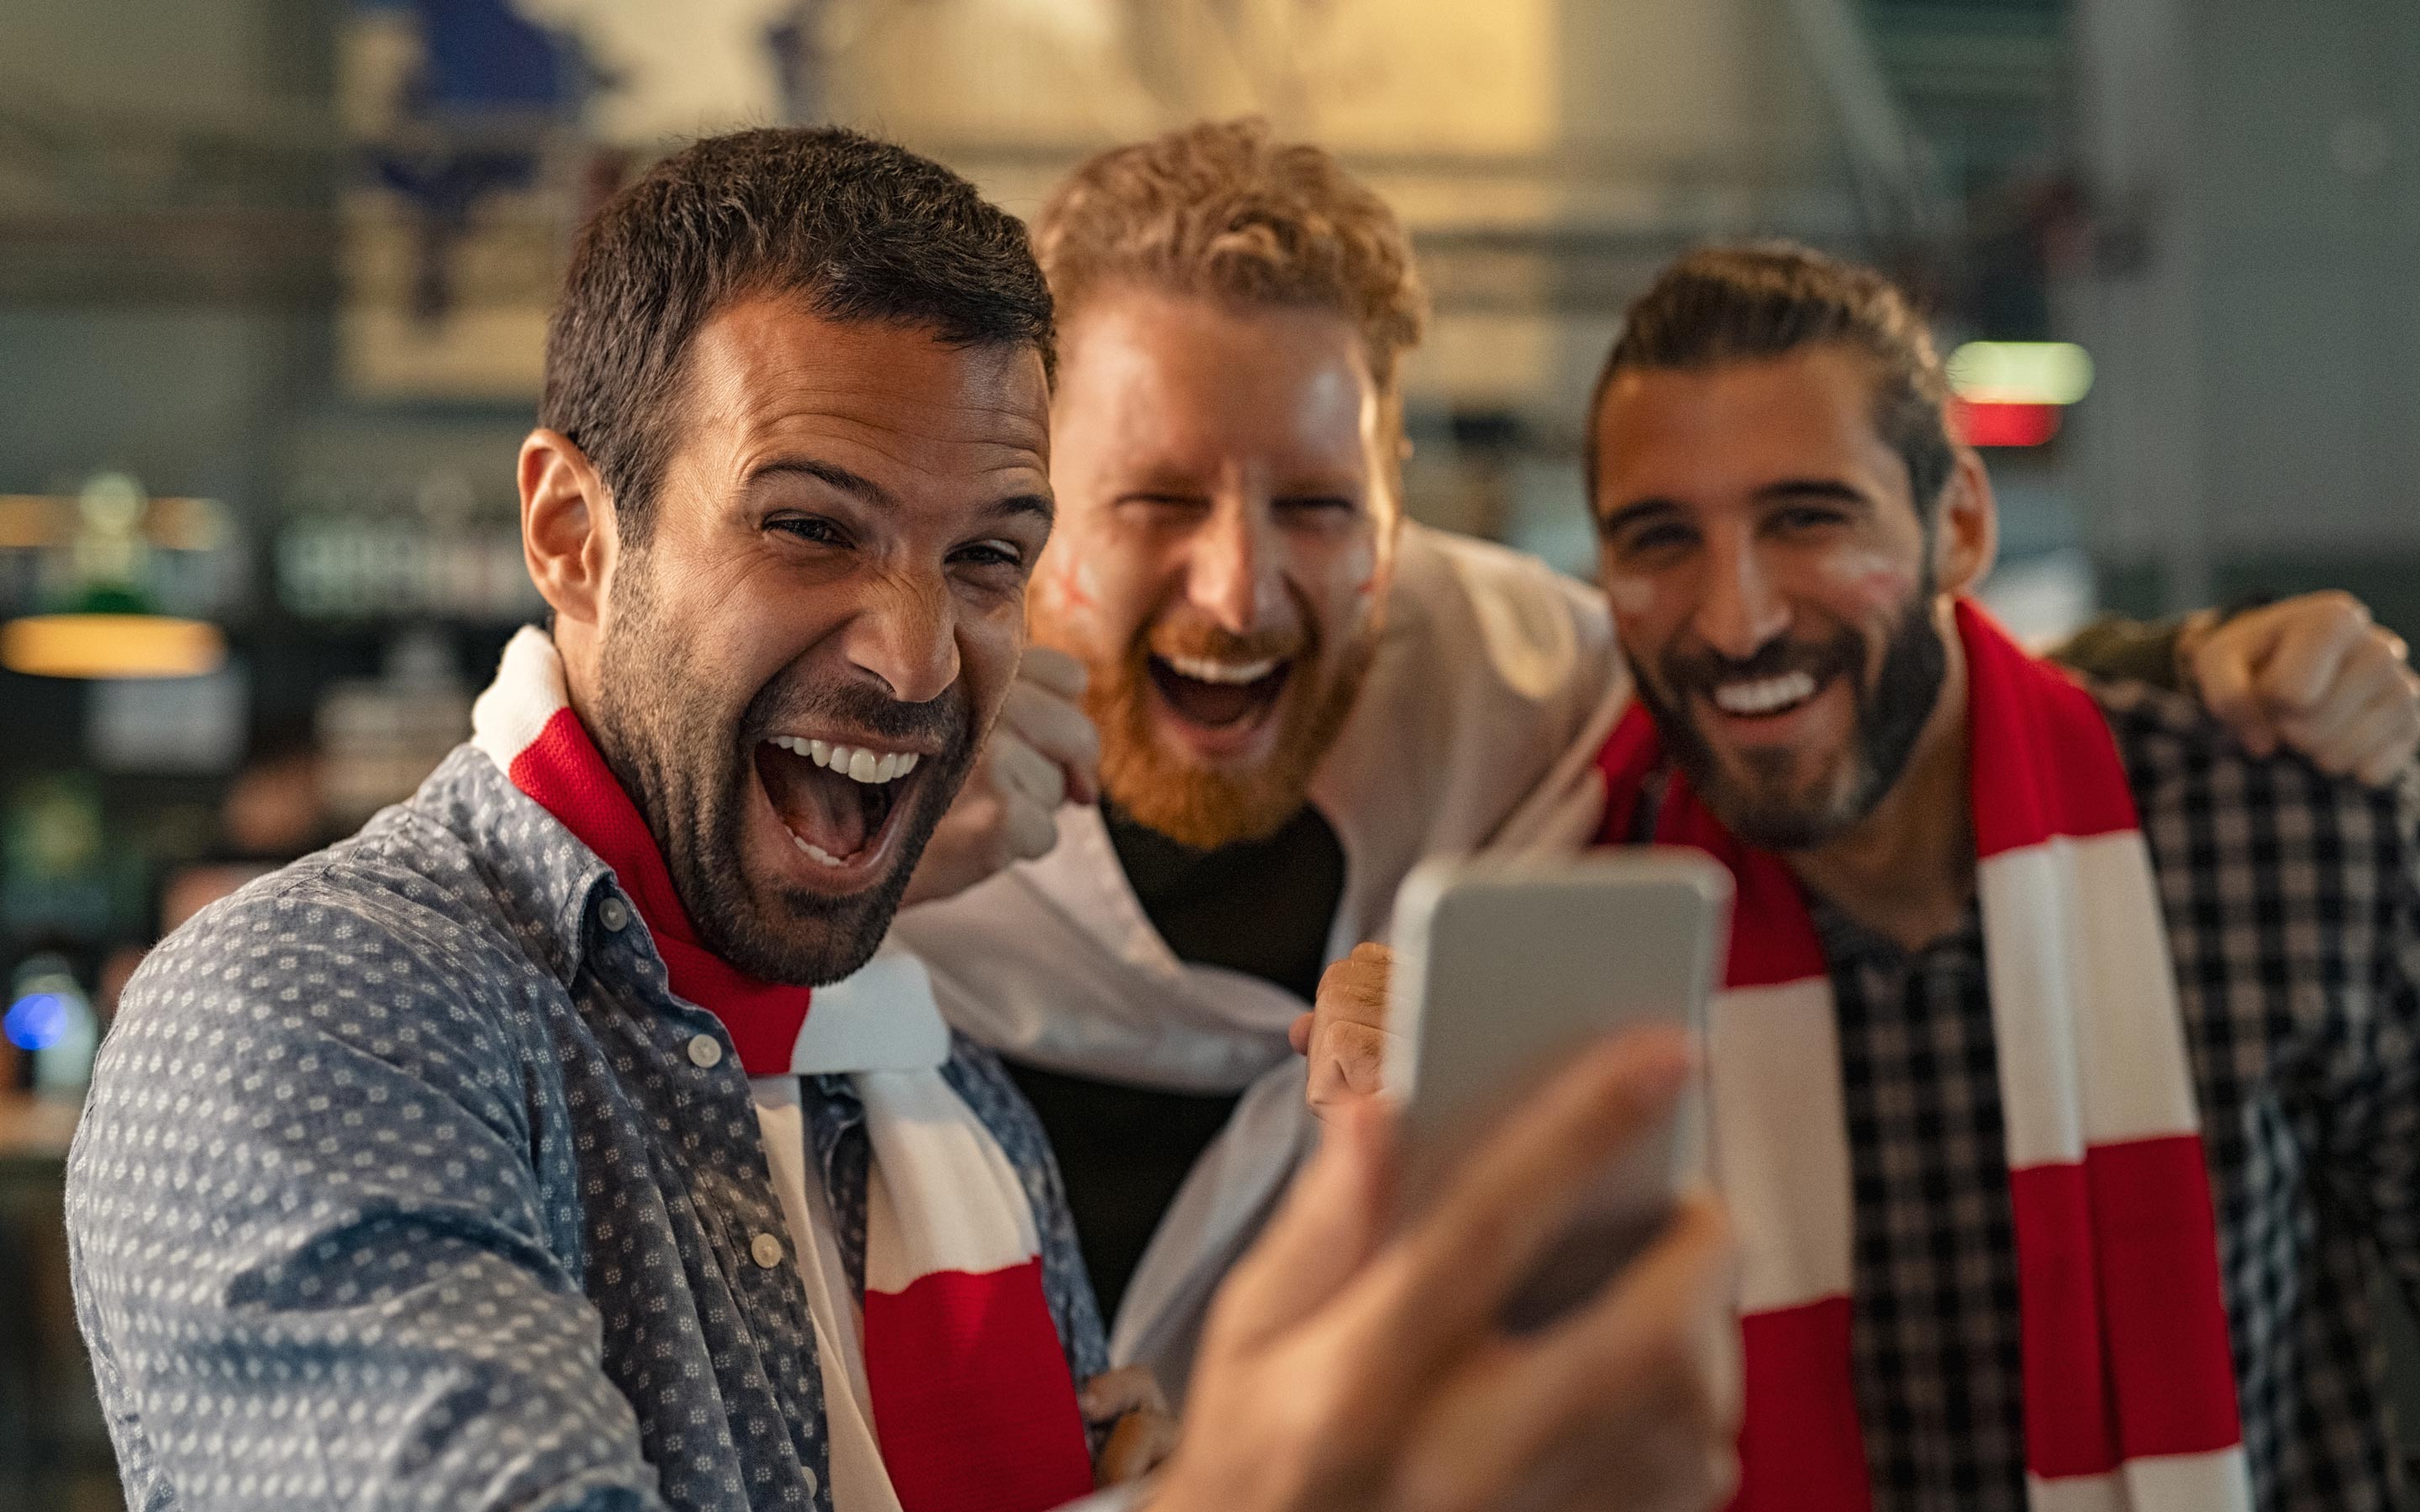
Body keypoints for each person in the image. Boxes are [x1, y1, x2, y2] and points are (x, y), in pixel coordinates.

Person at [62, 126, 1742, 1512]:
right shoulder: (308, 1017)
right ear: (574, 534)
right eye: (810, 528)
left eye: (988, 555)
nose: (919, 659)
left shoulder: (932, 1087)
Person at [892, 118, 2420, 1399]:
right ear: (1038, 493)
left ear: (1396, 499)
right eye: (1154, 501)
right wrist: (861, 875)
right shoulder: (878, 776)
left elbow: (1835, 686)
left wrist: (2187, 669)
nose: (1238, 592)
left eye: (1317, 504)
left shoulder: (1520, 685)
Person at [1319, 241, 2420, 1510]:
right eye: (1660, 539)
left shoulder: (2270, 831)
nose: (1736, 620)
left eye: (1808, 519)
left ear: (1960, 526)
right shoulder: (1580, 942)